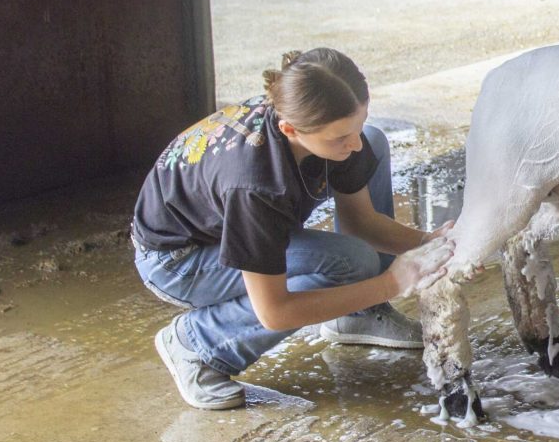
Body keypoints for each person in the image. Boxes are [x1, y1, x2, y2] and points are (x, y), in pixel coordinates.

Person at [132, 48, 453, 410]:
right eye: (340, 136)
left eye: (357, 124)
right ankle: (196, 343)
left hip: (230, 225)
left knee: (375, 143)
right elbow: (275, 311)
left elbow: (361, 222)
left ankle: (359, 313)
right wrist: (392, 281)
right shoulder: (255, 184)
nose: (354, 142)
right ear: (289, 129)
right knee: (350, 263)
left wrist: (430, 243)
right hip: (178, 260)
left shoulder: (312, 118)